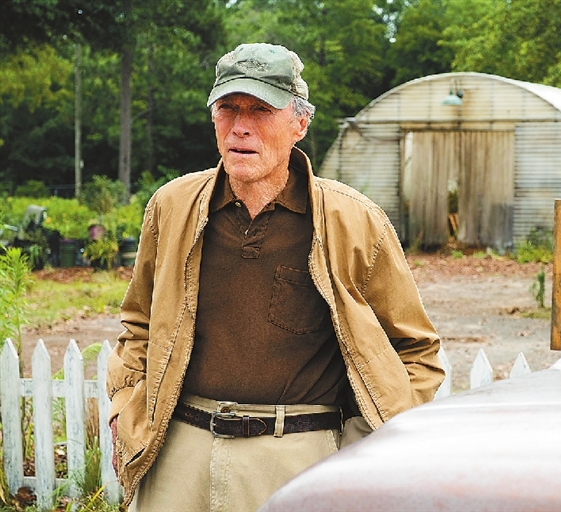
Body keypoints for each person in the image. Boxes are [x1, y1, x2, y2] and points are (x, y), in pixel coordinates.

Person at [106, 42, 444, 511]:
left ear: (299, 124)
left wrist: (364, 444)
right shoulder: (172, 206)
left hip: (301, 456)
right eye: (228, 108)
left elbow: (416, 351)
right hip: (178, 456)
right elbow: (138, 324)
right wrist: (124, 412)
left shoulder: (354, 221)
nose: (241, 126)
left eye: (261, 110)